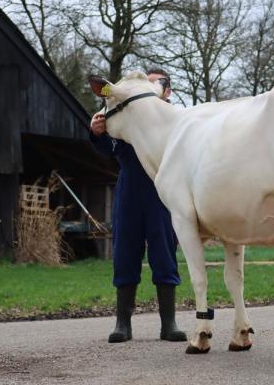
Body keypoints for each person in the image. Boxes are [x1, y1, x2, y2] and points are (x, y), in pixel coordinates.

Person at [89, 68, 186, 343]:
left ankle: (169, 323)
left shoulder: (176, 120)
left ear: (167, 91)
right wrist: (98, 134)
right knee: (124, 253)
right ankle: (122, 324)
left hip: (162, 189)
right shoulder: (125, 113)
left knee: (164, 253)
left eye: (157, 84)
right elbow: (107, 152)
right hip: (129, 188)